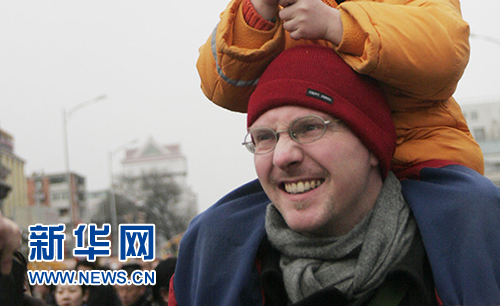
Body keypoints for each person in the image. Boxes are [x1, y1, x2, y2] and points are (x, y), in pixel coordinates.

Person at [197, 0, 500, 305]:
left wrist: (341, 26)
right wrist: (257, 10)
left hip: (417, 160)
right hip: (312, 169)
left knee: (474, 209)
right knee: (214, 232)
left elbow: (444, 53)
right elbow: (222, 85)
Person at [171, 45, 437, 305]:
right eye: (264, 137)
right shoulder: (208, 271)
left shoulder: (451, 259)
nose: (282, 156)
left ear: (371, 144)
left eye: (309, 128)